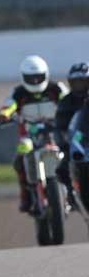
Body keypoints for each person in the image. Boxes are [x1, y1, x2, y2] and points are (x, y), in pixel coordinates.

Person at [0, 55, 69, 212]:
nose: (35, 81)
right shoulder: (18, 93)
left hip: (56, 131)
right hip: (29, 134)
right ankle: (26, 195)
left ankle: (74, 189)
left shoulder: (56, 88)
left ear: (46, 74)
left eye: (38, 77)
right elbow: (9, 106)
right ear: (23, 77)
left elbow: (68, 101)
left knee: (72, 152)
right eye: (31, 78)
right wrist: (4, 114)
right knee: (20, 159)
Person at [55, 62, 89, 208]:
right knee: (62, 167)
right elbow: (59, 126)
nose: (79, 85)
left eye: (82, 81)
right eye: (76, 82)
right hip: (76, 141)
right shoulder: (66, 102)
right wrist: (64, 142)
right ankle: (71, 195)